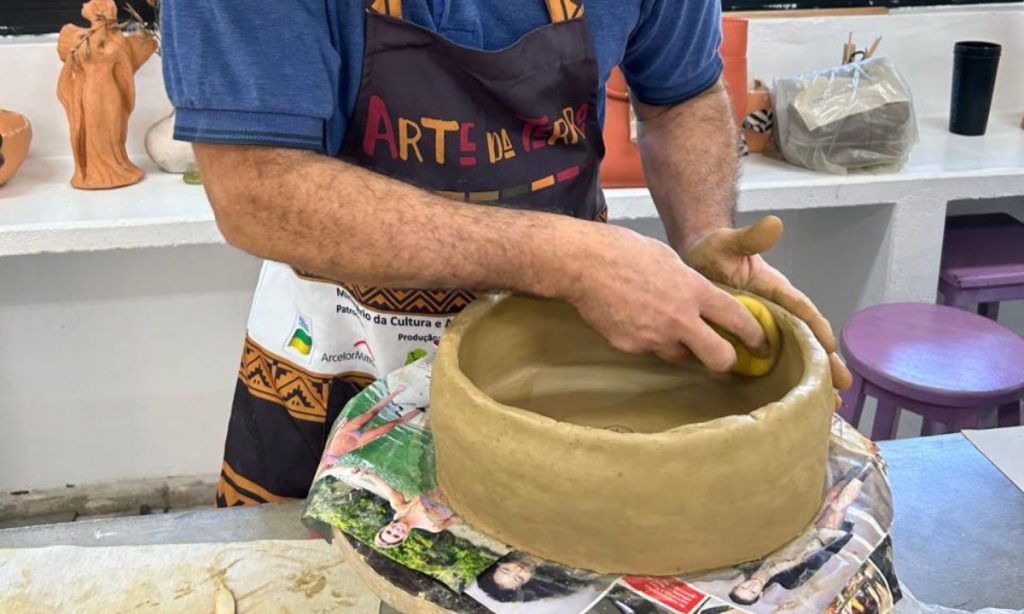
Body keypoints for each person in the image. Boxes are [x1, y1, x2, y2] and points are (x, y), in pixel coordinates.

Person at [162, 0, 852, 506]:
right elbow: (256, 187)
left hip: (574, 349)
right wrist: (571, 260)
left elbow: (682, 97)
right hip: (347, 349)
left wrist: (702, 234)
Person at [729, 464, 874, 605]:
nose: (751, 586)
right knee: (838, 506)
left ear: (739, 584)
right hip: (819, 540)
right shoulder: (787, 582)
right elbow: (815, 565)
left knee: (831, 496)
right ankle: (866, 471)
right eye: (752, 592)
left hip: (801, 528)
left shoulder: (748, 563)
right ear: (760, 594)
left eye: (744, 587)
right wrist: (832, 544)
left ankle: (850, 475)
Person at [316, 385, 418, 475]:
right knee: (393, 424)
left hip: (344, 432)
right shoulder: (324, 469)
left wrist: (339, 427)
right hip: (357, 441)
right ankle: (420, 409)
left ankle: (396, 392)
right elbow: (331, 471)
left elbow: (328, 440)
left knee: (372, 412)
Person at [354, 470, 457, 548]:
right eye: (396, 536)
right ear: (404, 537)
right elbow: (458, 517)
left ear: (387, 526)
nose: (395, 531)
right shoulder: (433, 527)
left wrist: (369, 475)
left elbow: (389, 491)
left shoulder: (401, 508)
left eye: (389, 532)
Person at [475, 553, 596, 603]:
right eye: (519, 578)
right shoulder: (562, 576)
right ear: (526, 583)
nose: (518, 569)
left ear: (500, 564)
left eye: (506, 569)